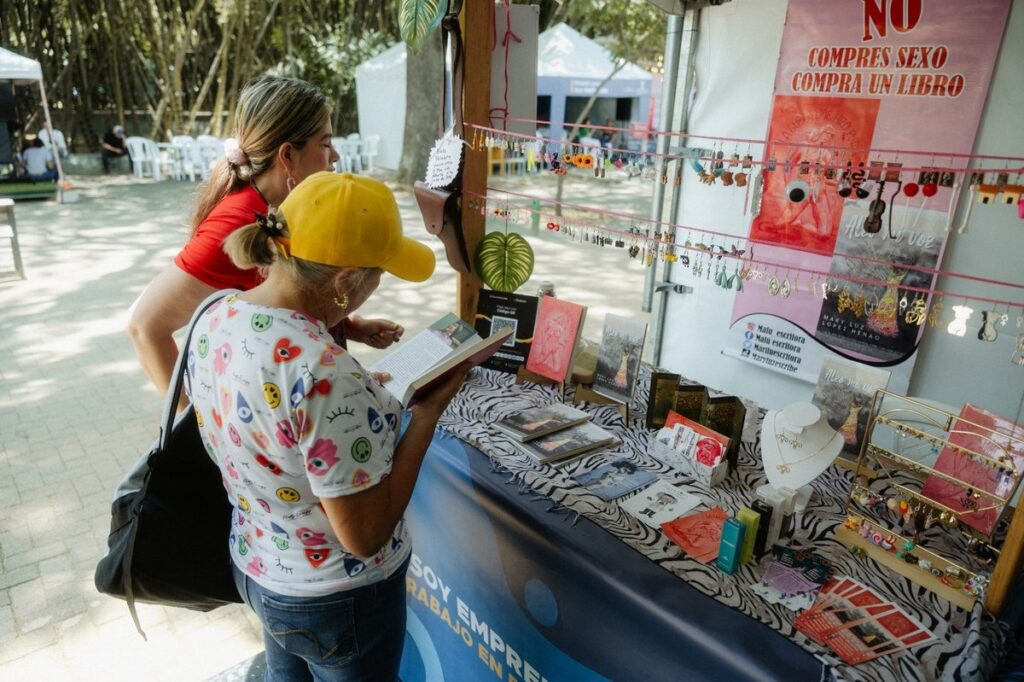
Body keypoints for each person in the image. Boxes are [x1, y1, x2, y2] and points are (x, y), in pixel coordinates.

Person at [186, 171, 467, 681]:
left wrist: (353, 399)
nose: (379, 283)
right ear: (345, 284)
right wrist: (424, 415)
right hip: (338, 600)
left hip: (258, 566)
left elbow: (273, 424)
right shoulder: (321, 372)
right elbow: (365, 536)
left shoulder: (215, 315)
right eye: (379, 272)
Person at [128, 76, 399, 397]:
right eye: (325, 144)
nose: (335, 156)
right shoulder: (235, 224)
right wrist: (193, 425)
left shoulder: (288, 206)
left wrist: (350, 325)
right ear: (288, 156)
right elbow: (144, 326)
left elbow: (287, 297)